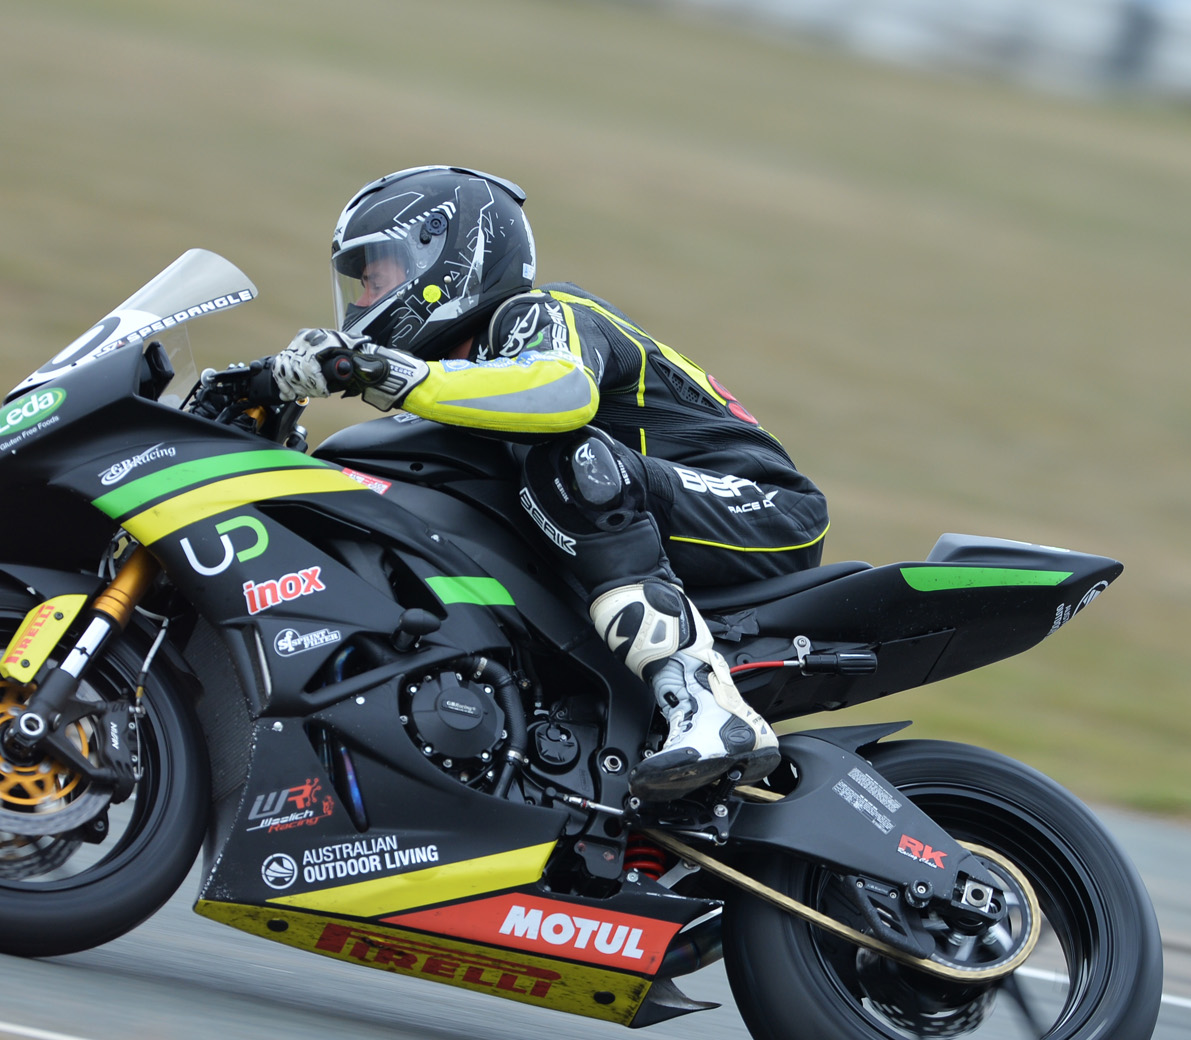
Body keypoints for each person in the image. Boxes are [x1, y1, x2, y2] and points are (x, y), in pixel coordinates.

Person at [271, 166, 829, 801]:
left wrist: (387, 373)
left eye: (378, 277)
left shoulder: (539, 314)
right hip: (659, 515)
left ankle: (707, 705)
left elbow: (562, 394)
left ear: (447, 262)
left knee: (571, 462)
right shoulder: (464, 383)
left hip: (762, 507)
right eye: (360, 284)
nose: (364, 302)